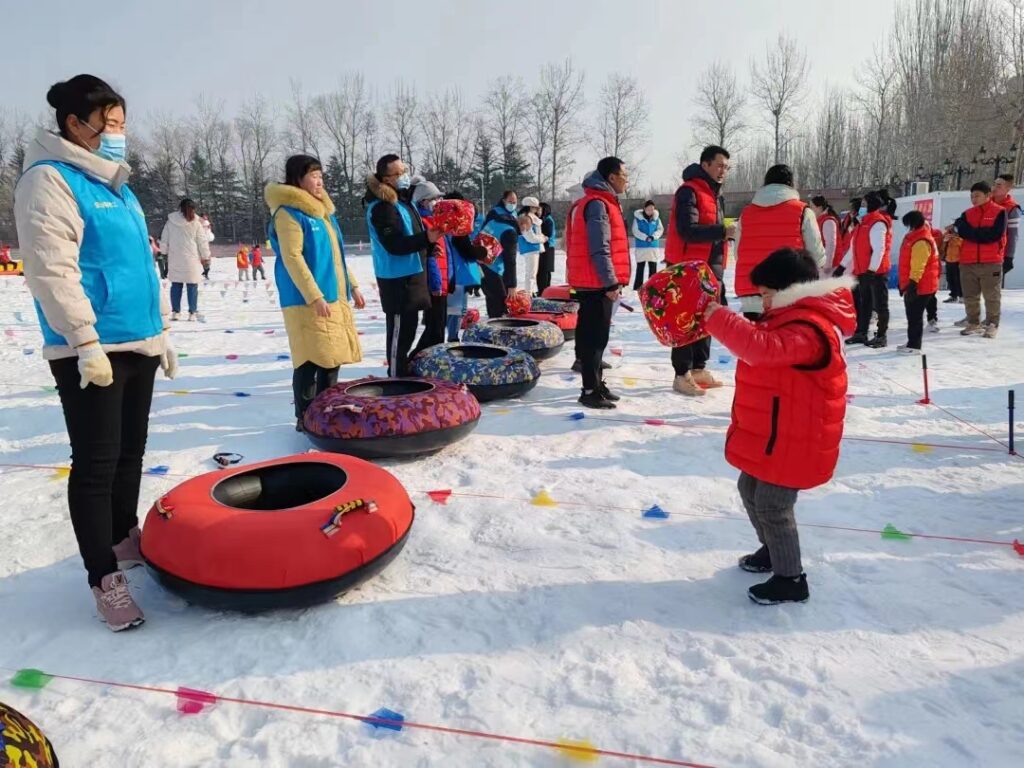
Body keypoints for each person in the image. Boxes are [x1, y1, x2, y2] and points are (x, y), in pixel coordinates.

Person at [14, 74, 178, 630]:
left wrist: (161, 335)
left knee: (131, 450)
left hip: (137, 341)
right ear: (74, 124)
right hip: (90, 348)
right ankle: (101, 574)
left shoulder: (117, 187)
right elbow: (51, 270)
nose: (117, 135)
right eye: (108, 125)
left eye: (122, 125)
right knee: (96, 462)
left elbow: (137, 268)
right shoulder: (48, 181)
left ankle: (120, 535)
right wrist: (83, 340)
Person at [703, 248, 855, 604]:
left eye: (768, 293)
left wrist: (721, 319)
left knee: (772, 504)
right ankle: (773, 551)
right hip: (779, 433)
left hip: (798, 438)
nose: (764, 300)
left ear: (789, 290)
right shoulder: (792, 318)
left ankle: (791, 578)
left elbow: (763, 350)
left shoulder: (810, 328)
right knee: (750, 488)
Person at [267, 155, 364, 430]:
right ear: (297, 179)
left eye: (320, 174)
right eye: (313, 175)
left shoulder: (323, 213)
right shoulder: (289, 213)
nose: (319, 180)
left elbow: (336, 257)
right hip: (304, 299)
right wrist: (314, 296)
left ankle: (325, 410)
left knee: (330, 358)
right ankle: (305, 415)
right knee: (309, 358)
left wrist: (352, 284)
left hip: (333, 294)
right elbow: (292, 258)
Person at [664, 145, 735, 396]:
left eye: (726, 167)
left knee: (708, 319)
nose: (723, 170)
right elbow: (687, 230)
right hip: (688, 269)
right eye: (719, 165)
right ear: (705, 165)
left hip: (711, 268)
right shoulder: (689, 191)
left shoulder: (715, 195)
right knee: (685, 321)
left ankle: (698, 368)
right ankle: (681, 374)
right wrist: (722, 231)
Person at [364, 154, 440, 376]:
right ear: (386, 179)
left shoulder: (404, 203)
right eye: (397, 173)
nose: (403, 176)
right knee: (399, 330)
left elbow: (414, 235)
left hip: (414, 273)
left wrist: (428, 247)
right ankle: (396, 375)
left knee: (409, 327)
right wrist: (427, 238)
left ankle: (403, 370)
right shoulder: (382, 207)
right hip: (397, 279)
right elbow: (394, 244)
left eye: (404, 170)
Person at [565, 157, 631, 409]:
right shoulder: (597, 204)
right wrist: (611, 283)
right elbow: (599, 248)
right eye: (624, 174)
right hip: (596, 282)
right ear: (611, 177)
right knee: (595, 339)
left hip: (591, 280)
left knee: (591, 335)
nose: (627, 179)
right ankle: (590, 390)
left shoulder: (597, 202)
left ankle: (596, 383)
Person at [732, 165, 826, 320]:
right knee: (786, 341)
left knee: (756, 341)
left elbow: (737, 254)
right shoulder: (803, 212)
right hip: (788, 292)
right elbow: (816, 256)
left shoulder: (746, 214)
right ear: (791, 184)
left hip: (752, 293)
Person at [949, 180, 1008, 338]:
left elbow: (994, 236)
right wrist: (977, 233)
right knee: (970, 295)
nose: (973, 199)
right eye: (972, 196)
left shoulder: (1000, 212)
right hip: (968, 261)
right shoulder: (967, 214)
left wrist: (969, 232)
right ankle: (973, 322)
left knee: (992, 296)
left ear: (988, 195)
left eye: (977, 195)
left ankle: (992, 324)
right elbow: (959, 228)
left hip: (991, 262)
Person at [838, 191, 891, 348]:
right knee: (864, 303)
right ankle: (861, 332)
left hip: (876, 273)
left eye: (863, 204)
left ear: (871, 205)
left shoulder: (877, 223)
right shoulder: (862, 223)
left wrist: (871, 271)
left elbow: (879, 249)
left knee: (880, 304)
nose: (861, 207)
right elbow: (853, 248)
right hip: (862, 271)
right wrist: (841, 266)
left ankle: (881, 335)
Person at [411, 180, 449, 356]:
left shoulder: (436, 221)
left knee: (438, 328)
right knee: (434, 330)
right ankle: (418, 359)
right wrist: (435, 284)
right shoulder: (422, 222)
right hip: (434, 283)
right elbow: (431, 257)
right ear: (423, 201)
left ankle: (426, 359)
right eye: (433, 199)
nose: (437, 202)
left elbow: (445, 255)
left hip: (443, 282)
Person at [897, 211, 940, 354]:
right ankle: (911, 342)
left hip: (921, 285)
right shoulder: (914, 237)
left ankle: (914, 345)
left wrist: (912, 284)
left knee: (915, 316)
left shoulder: (921, 241)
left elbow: (918, 265)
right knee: (912, 315)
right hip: (916, 283)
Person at [444, 192, 486, 341]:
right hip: (457, 273)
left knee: (454, 309)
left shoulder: (443, 222)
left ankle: (453, 336)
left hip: (451, 272)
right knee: (455, 309)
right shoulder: (457, 228)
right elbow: (467, 251)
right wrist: (482, 251)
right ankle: (453, 339)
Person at [161, 198, 210, 321]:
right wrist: (205, 256)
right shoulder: (196, 223)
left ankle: (176, 312)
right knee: (192, 286)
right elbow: (202, 241)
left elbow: (164, 238)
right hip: (191, 259)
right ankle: (192, 313)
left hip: (175, 258)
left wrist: (164, 253)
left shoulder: (171, 221)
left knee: (176, 285)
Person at [477, 191, 519, 317]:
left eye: (515, 202)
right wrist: (512, 285)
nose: (512, 204)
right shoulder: (509, 230)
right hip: (493, 267)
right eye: (510, 201)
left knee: (492, 302)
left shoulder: (493, 218)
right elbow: (510, 259)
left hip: (482, 264)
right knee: (500, 306)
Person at [516, 196, 547, 296]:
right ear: (530, 207)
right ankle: (528, 294)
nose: (537, 209)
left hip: (533, 248)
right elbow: (530, 237)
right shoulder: (526, 218)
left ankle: (531, 292)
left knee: (532, 273)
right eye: (535, 207)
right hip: (531, 248)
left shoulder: (528, 217)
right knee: (531, 274)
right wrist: (543, 238)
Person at [631, 199, 664, 290]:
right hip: (641, 247)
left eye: (652, 209)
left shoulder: (657, 219)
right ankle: (637, 288)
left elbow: (660, 229)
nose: (650, 211)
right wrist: (645, 237)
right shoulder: (637, 219)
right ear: (644, 209)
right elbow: (635, 231)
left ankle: (652, 288)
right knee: (640, 269)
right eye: (648, 209)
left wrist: (653, 237)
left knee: (653, 269)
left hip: (653, 248)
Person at [992, 173, 1020, 280]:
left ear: (1008, 188)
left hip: (999, 255)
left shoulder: (1012, 208)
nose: (994, 188)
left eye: (999, 186)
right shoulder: (986, 202)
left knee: (991, 289)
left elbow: (1013, 235)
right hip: (981, 252)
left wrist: (1009, 257)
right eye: (994, 184)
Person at [811, 196, 843, 274]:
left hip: (830, 266)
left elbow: (831, 244)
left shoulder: (828, 221)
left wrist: (827, 264)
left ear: (819, 208)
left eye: (812, 207)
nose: (810, 210)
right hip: (821, 264)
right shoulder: (819, 220)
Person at [537, 201, 557, 294]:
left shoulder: (547, 220)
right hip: (547, 247)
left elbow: (547, 234)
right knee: (544, 271)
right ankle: (544, 290)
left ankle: (543, 291)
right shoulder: (545, 219)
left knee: (544, 271)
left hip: (547, 247)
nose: (538, 211)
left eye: (539, 209)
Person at [942, 230, 963, 303]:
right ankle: (953, 295)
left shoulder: (961, 235)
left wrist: (956, 239)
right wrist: (945, 240)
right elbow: (942, 247)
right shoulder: (947, 234)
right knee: (949, 279)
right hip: (948, 259)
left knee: (958, 279)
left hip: (958, 260)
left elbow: (964, 245)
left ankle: (961, 295)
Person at [199, 213, 214, 279]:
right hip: (202, 242)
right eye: (204, 216)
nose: (206, 217)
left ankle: (205, 271)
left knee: (207, 259)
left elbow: (208, 232)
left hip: (206, 241)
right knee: (205, 259)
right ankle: (205, 271)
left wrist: (209, 227)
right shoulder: (200, 222)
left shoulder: (207, 222)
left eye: (206, 216)